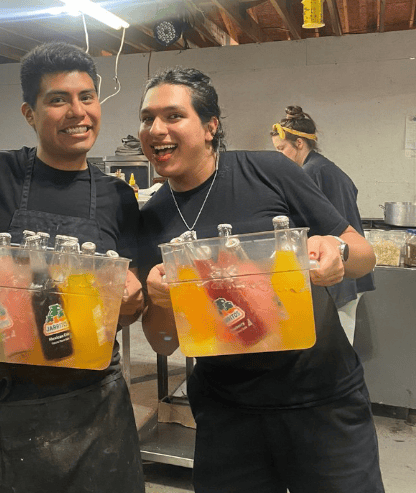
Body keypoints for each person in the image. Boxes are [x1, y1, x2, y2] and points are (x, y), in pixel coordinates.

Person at [137, 67, 384, 493]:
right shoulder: (151, 219)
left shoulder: (268, 170)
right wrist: (160, 299)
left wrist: (337, 253)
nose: (156, 129)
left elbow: (364, 253)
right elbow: (163, 342)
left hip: (322, 402)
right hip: (227, 414)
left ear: (211, 126)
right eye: (146, 118)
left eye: (173, 116)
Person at [0, 42, 145, 493]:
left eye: (87, 97)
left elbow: (128, 309)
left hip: (90, 404)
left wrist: (133, 298)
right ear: (29, 112)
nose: (77, 112)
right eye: (58, 100)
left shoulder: (118, 197)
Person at [271, 106, 375, 344]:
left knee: (335, 347)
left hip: (339, 269)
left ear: (299, 143)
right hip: (348, 266)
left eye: (281, 149)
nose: (278, 156)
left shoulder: (311, 172)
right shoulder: (326, 168)